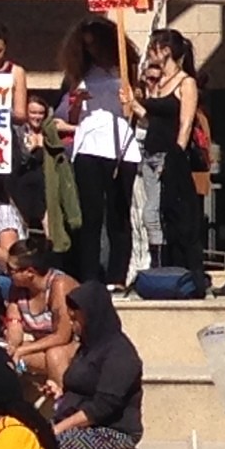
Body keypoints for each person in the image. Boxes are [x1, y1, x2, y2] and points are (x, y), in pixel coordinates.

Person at [49, 15, 139, 288]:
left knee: (119, 213)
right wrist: (76, 103)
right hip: (89, 145)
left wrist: (130, 100)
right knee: (90, 215)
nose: (93, 51)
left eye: (96, 45)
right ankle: (89, 274)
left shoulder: (126, 68)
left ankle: (118, 275)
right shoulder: (79, 75)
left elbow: (135, 107)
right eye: (86, 46)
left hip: (121, 145)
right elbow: (71, 117)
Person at [49, 280, 144, 449]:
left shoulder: (121, 354)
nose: (73, 325)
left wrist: (59, 428)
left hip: (114, 431)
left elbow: (102, 407)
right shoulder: (88, 348)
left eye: (76, 319)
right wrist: (59, 392)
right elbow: (79, 386)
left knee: (57, 444)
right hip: (81, 422)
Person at [133, 26, 209, 276]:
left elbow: (185, 122)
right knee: (151, 213)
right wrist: (135, 104)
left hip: (169, 156)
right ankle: (159, 264)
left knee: (156, 211)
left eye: (154, 48)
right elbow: (153, 120)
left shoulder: (185, 83)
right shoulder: (160, 83)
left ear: (165, 51)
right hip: (151, 153)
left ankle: (166, 263)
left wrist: (176, 155)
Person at [1, 231, 77, 390]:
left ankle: (65, 405)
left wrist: (23, 350)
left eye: (11, 269)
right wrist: (12, 347)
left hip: (77, 345)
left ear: (29, 272)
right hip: (44, 346)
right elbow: (15, 327)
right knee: (1, 356)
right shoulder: (17, 289)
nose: (7, 273)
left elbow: (62, 336)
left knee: (54, 355)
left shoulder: (59, 285)